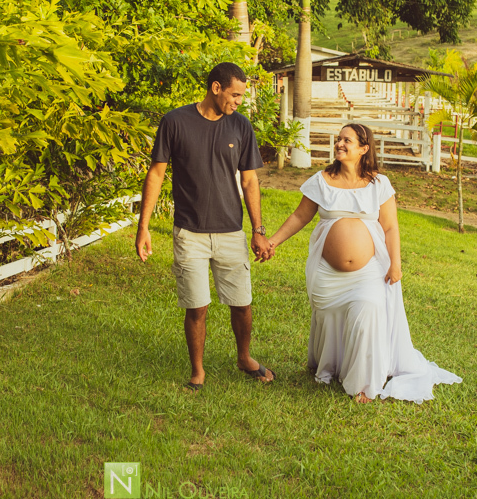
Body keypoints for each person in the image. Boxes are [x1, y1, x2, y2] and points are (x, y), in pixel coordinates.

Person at [265, 122, 462, 403]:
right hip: (327, 274)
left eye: (347, 140)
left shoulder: (379, 184)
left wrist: (396, 263)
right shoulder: (321, 181)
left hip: (369, 272)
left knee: (368, 310)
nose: (339, 144)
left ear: (363, 149)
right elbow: (299, 217)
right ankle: (329, 366)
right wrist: (272, 241)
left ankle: (364, 385)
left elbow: (391, 228)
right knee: (328, 318)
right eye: (338, 139)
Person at [135, 62, 275, 390]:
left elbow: (250, 180)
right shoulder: (175, 122)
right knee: (196, 306)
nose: (239, 101)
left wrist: (258, 229)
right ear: (216, 88)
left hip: (230, 231)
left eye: (242, 95)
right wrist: (143, 226)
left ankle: (244, 357)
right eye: (235, 94)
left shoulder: (241, 127)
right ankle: (197, 371)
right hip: (190, 232)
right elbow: (156, 175)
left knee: (241, 302)